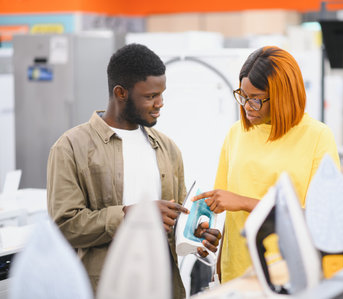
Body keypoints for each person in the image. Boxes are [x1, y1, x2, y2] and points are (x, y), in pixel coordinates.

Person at [47, 43, 221, 298]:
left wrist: (195, 234)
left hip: (162, 287)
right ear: (121, 93)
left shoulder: (167, 148)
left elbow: (176, 220)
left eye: (162, 94)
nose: (160, 103)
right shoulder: (71, 147)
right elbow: (64, 226)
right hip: (105, 288)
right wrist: (133, 215)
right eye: (150, 96)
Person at [192, 46, 340, 283]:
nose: (248, 106)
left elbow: (323, 218)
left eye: (257, 99)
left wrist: (243, 202)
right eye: (243, 96)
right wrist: (206, 232)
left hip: (288, 274)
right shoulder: (236, 134)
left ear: (284, 95)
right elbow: (222, 207)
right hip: (236, 272)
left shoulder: (317, 137)